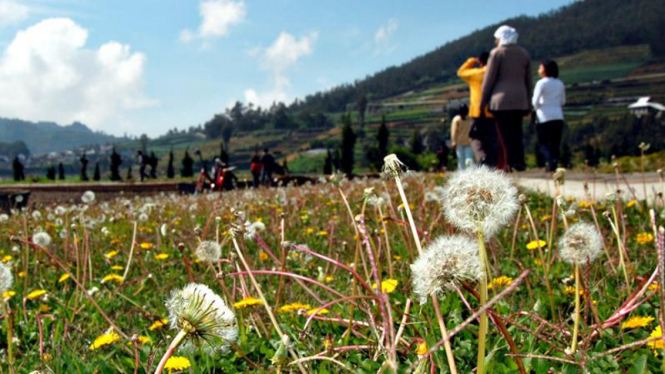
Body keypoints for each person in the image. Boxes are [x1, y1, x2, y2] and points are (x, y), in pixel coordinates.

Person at [480, 25, 532, 172]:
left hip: (500, 101)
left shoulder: (497, 53)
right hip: (520, 100)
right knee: (517, 132)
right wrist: (528, 102)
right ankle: (519, 161)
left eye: (496, 39)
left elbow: (489, 79)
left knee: (502, 134)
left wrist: (482, 101)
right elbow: (528, 81)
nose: (495, 41)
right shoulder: (524, 54)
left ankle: (506, 162)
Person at [457, 51, 506, 168]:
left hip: (477, 111)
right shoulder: (496, 74)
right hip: (492, 111)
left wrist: (471, 61)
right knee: (492, 138)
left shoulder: (475, 74)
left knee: (475, 136)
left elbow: (460, 72)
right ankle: (491, 162)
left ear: (480, 61)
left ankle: (481, 157)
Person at [533, 60, 566, 172]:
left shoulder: (541, 83)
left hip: (544, 116)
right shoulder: (560, 83)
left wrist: (539, 107)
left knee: (543, 143)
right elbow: (563, 101)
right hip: (558, 116)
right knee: (555, 143)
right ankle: (554, 161)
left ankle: (550, 161)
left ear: (545, 70)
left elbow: (535, 101)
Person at [450, 105, 474, 170]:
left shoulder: (456, 119)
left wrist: (454, 142)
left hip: (459, 142)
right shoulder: (470, 118)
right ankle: (471, 174)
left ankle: (462, 175)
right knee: (469, 159)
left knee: (461, 160)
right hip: (468, 142)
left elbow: (454, 132)